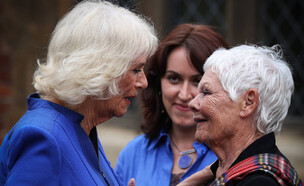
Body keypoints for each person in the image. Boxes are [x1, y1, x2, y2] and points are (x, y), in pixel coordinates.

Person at [0, 0, 158, 185]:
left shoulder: (81, 127)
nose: (144, 82)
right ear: (100, 68)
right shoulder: (43, 137)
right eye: (136, 69)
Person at [115, 23, 229, 186]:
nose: (184, 95)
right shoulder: (133, 153)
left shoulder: (232, 157)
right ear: (157, 83)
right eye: (174, 78)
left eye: (197, 81)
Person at [180, 44, 303, 185]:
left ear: (248, 103)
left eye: (206, 92)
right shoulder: (222, 172)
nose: (192, 104)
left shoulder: (260, 182)